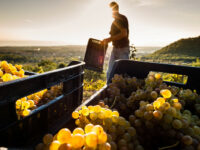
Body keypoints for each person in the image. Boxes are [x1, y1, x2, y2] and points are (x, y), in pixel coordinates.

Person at [102, 1, 130, 82]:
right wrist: (106, 41)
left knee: (123, 74)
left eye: (111, 10)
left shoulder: (121, 18)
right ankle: (109, 91)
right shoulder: (114, 22)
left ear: (115, 9)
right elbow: (114, 37)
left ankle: (122, 93)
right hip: (115, 49)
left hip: (122, 49)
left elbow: (124, 33)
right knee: (110, 73)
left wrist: (108, 39)